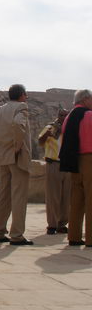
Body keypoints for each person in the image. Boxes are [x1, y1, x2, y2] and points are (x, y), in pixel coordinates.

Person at [0, 84, 33, 245]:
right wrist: (17, 146)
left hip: (1, 157)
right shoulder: (21, 108)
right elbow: (18, 125)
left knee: (2, 195)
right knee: (18, 196)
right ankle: (17, 235)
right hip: (16, 157)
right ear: (22, 95)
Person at [59, 89, 92, 247]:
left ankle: (74, 236)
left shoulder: (69, 117)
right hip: (89, 158)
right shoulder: (89, 115)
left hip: (74, 161)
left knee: (76, 200)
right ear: (85, 99)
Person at [38, 109, 70, 234]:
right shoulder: (50, 127)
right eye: (61, 115)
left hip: (67, 165)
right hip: (53, 164)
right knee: (53, 196)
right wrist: (47, 135)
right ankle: (52, 224)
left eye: (65, 115)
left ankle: (62, 224)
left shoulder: (70, 129)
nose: (62, 117)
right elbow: (40, 142)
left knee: (66, 197)